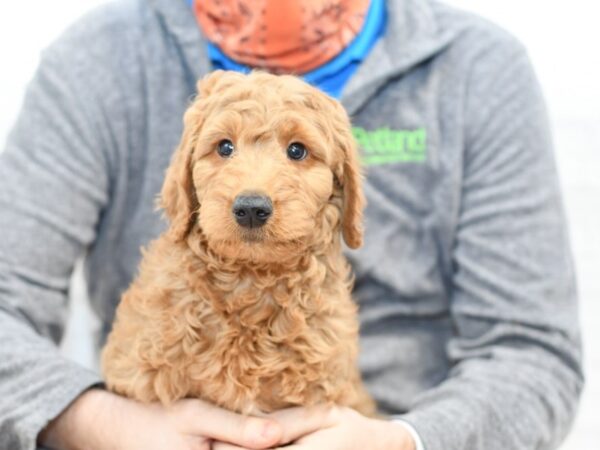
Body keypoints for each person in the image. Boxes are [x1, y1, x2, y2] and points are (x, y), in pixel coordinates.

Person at [0, 0, 583, 449]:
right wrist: (101, 423)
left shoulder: (478, 69)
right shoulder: (97, 61)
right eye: (223, 147)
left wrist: (404, 441)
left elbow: (531, 351)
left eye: (300, 153)